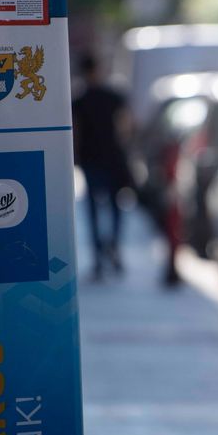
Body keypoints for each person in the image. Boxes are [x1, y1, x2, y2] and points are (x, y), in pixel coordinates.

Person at [72, 54, 134, 279]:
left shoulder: (79, 100)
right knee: (115, 207)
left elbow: (76, 132)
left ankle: (100, 256)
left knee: (94, 209)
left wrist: (76, 156)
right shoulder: (113, 97)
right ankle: (114, 247)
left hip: (91, 159)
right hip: (112, 158)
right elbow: (125, 127)